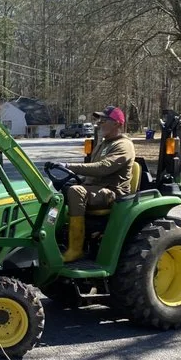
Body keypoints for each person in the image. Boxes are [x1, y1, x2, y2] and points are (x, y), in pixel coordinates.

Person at [54, 106, 135, 262]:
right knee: (60, 188)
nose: (99, 123)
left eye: (104, 120)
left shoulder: (123, 145)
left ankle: (76, 249)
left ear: (117, 124)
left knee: (76, 191)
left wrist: (68, 166)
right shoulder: (103, 144)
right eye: (99, 120)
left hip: (113, 193)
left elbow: (103, 168)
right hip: (97, 188)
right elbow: (92, 176)